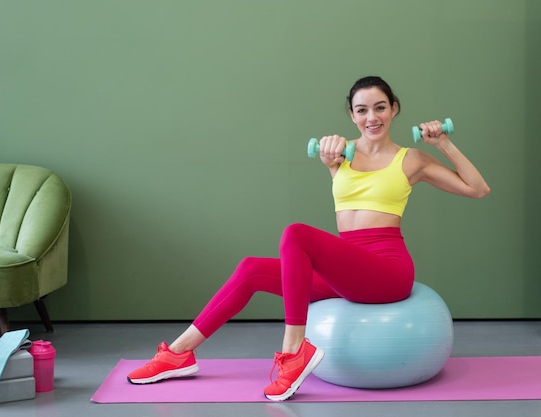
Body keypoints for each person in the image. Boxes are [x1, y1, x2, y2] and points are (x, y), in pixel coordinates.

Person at [126, 75, 490, 401]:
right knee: (251, 268)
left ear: (394, 109)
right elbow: (339, 183)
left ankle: (294, 352)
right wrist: (330, 158)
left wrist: (443, 143)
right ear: (351, 115)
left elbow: (477, 189)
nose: (372, 118)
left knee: (296, 234)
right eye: (362, 110)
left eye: (380, 107)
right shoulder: (339, 153)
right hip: (349, 267)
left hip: (388, 271)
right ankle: (178, 354)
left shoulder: (411, 159)